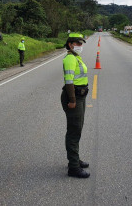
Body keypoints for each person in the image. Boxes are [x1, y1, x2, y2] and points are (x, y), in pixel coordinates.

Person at [61, 33, 90, 178]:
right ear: (71, 44)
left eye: (81, 43)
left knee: (77, 129)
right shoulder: (70, 59)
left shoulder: (76, 58)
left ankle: (75, 159)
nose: (80, 46)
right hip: (74, 98)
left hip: (80, 96)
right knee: (74, 131)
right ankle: (73, 167)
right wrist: (72, 100)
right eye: (78, 43)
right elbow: (69, 82)